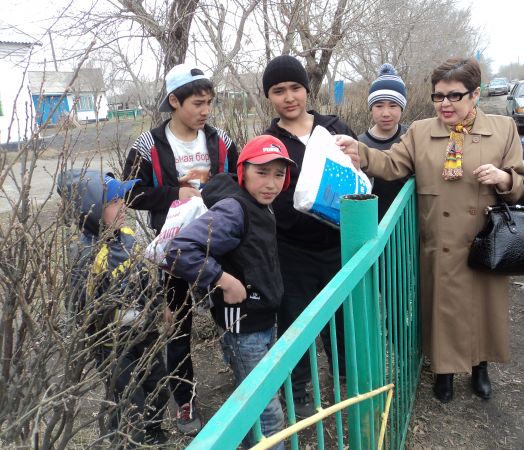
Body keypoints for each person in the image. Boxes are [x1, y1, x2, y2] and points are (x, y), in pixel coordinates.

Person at [337, 57, 524, 403]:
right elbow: (392, 164)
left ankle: (480, 367)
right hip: (439, 241)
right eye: (438, 96)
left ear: (475, 94)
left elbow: (520, 183)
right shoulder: (420, 131)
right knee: (442, 309)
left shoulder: (502, 129)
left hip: (484, 240)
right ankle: (444, 372)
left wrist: (503, 177)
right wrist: (361, 154)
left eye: (455, 95)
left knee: (482, 307)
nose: (445, 104)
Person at [123, 63, 239, 435]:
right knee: (178, 326)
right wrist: (176, 193)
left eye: (209, 102)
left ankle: (244, 379)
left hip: (220, 245)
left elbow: (238, 181)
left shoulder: (220, 140)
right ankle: (184, 397)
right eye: (197, 103)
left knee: (231, 313)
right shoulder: (148, 145)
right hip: (173, 251)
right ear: (174, 101)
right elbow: (130, 193)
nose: (206, 111)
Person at [165, 135, 295, 449]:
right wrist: (224, 279)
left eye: (279, 174)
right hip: (244, 327)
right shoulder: (235, 210)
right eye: (261, 172)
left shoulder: (261, 204)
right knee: (266, 413)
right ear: (243, 171)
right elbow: (180, 250)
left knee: (259, 398)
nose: (271, 183)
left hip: (262, 319)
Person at [261, 54, 356, 418]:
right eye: (278, 90)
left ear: (307, 89)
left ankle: (345, 373)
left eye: (295, 88)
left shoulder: (334, 128)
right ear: (269, 96)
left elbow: (357, 173)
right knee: (294, 320)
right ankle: (297, 388)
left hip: (337, 243)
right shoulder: (269, 141)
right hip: (292, 250)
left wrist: (358, 158)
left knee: (342, 314)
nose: (289, 97)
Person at [58, 169, 170, 446]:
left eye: (122, 199)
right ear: (91, 211)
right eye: (113, 202)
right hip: (113, 345)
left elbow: (145, 278)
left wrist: (160, 305)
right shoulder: (87, 256)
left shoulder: (127, 236)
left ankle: (154, 431)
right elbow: (79, 309)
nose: (123, 207)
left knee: (158, 384)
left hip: (145, 331)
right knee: (129, 399)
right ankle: (127, 440)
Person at [358, 63, 410, 221]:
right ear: (371, 108)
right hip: (374, 223)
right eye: (379, 106)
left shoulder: (411, 137)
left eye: (393, 105)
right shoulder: (359, 144)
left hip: (409, 223)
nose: (386, 113)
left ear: (402, 107)